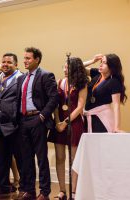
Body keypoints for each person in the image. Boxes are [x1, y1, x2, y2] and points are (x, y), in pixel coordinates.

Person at [16, 47, 58, 200]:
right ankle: (29, 190)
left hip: (38, 120)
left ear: (37, 59)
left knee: (41, 158)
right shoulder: (22, 78)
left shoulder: (46, 75)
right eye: (24, 58)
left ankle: (45, 192)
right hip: (23, 120)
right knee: (26, 158)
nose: (25, 61)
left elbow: (54, 99)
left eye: (28, 58)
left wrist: (41, 116)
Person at [48, 57, 88, 200]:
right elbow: (56, 105)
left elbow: (80, 106)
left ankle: (73, 191)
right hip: (59, 123)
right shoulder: (60, 82)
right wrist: (58, 122)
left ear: (75, 69)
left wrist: (65, 122)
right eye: (64, 67)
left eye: (68, 67)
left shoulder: (82, 84)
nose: (64, 70)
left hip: (74, 123)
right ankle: (62, 190)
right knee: (60, 157)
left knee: (73, 158)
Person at [0, 53, 23, 196]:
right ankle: (3, 186)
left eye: (9, 62)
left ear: (16, 64)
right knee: (1, 158)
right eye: (3, 62)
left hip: (14, 124)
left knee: (21, 158)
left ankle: (25, 187)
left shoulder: (21, 78)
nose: (5, 64)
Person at [83, 54, 127, 133]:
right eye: (101, 62)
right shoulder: (97, 73)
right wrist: (92, 61)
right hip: (89, 116)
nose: (101, 64)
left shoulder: (114, 81)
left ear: (112, 66)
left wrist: (117, 127)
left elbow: (116, 106)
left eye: (104, 63)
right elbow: (75, 67)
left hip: (102, 118)